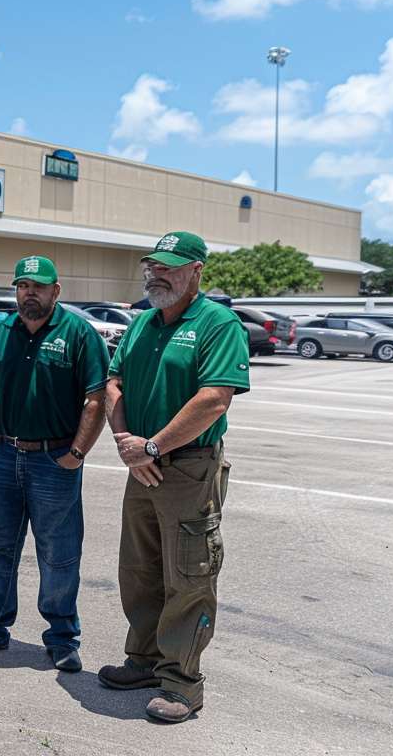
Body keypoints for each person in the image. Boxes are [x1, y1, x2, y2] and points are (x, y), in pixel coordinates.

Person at [101, 231, 249, 724]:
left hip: (188, 467)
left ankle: (182, 683)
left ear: (196, 271)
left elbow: (214, 400)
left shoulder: (217, 323)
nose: (156, 275)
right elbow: (113, 383)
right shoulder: (142, 322)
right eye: (153, 267)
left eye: (168, 267)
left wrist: (154, 446)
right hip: (141, 464)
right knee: (139, 569)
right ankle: (143, 661)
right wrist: (128, 445)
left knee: (189, 576)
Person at [0, 256, 108, 671]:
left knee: (59, 554)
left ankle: (61, 638)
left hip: (54, 461)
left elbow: (96, 399)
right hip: (2, 457)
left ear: (55, 291)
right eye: (22, 286)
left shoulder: (79, 334)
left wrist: (77, 454)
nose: (29, 294)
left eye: (38, 287)